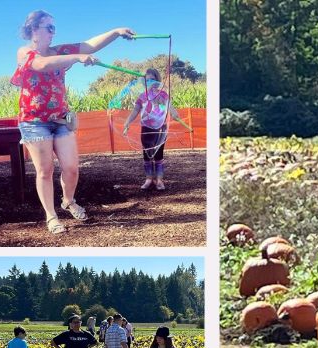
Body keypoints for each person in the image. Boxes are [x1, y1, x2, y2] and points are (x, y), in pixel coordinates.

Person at [11, 10, 135, 234]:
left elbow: (89, 45)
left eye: (54, 28)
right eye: (48, 27)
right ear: (33, 30)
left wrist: (116, 32)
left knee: (71, 168)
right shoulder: (25, 52)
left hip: (61, 119)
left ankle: (68, 201)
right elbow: (41, 64)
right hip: (34, 121)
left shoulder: (60, 51)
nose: (53, 32)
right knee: (45, 171)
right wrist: (76, 58)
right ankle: (51, 216)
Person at [122, 67, 187, 190]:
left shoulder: (163, 94)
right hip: (146, 128)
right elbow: (136, 110)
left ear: (157, 80)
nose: (150, 82)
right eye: (147, 80)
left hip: (160, 128)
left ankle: (159, 180)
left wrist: (174, 113)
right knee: (147, 154)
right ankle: (148, 179)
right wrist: (127, 122)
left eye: (152, 79)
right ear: (144, 82)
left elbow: (169, 106)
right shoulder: (142, 96)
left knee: (159, 155)